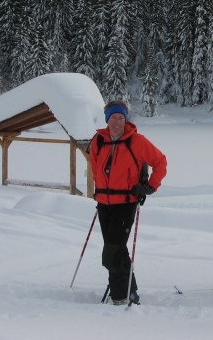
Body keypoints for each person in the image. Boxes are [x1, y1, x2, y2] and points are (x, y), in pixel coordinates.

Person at [88, 99, 167, 305]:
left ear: (125, 119)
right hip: (104, 203)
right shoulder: (98, 141)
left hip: (125, 202)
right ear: (107, 120)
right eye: (113, 118)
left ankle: (120, 295)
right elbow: (96, 169)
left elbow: (160, 161)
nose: (116, 122)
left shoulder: (137, 141)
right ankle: (130, 290)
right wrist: (99, 193)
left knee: (112, 251)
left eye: (120, 118)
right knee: (118, 249)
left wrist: (150, 185)